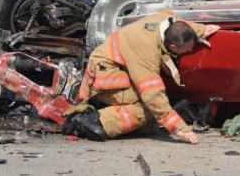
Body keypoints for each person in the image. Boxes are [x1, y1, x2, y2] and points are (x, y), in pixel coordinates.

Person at [62, 11, 220, 143]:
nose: (190, 50)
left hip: (116, 68)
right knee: (149, 109)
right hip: (106, 77)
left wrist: (200, 30)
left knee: (149, 126)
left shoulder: (166, 19)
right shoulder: (145, 54)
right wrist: (180, 129)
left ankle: (111, 113)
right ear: (173, 47)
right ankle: (93, 121)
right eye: (187, 49)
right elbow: (152, 96)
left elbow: (180, 24)